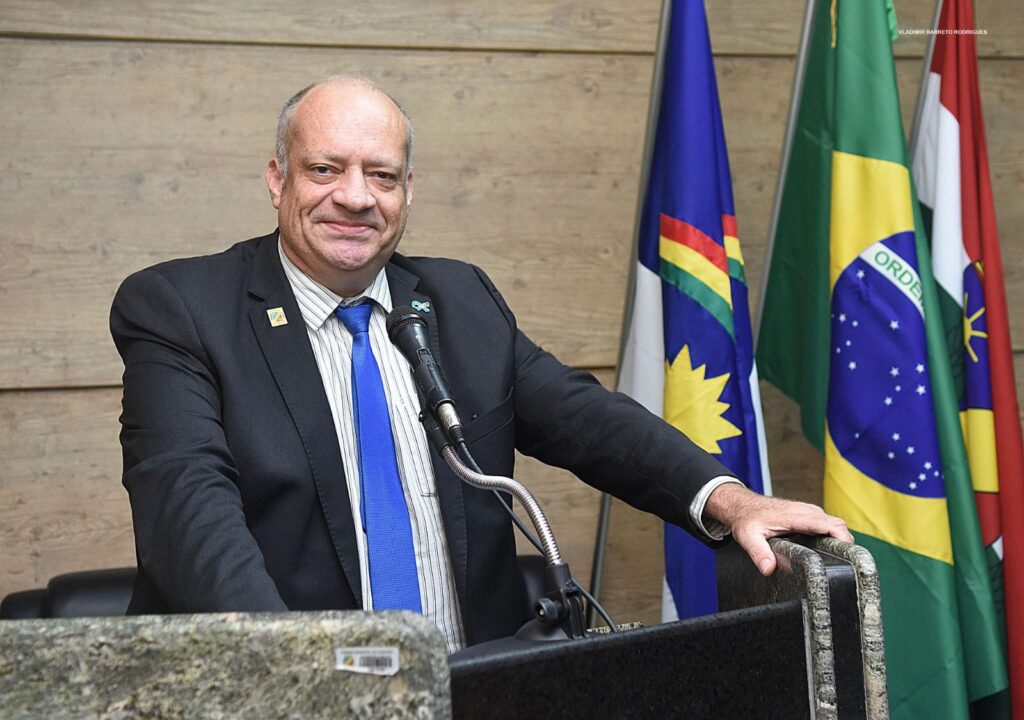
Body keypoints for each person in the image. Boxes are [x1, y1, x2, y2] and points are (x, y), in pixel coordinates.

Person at [110, 75, 851, 653]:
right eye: (326, 169)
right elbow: (189, 514)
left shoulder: (458, 300)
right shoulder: (182, 309)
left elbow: (589, 421)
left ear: (407, 192)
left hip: (474, 687)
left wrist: (731, 502)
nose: (356, 197)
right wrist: (290, 675)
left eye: (382, 176)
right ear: (278, 179)